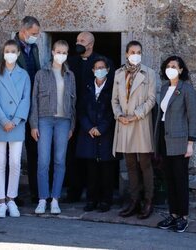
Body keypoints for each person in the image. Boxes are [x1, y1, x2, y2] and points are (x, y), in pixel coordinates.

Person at [67, 32, 115, 202]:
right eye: (77, 40)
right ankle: (74, 191)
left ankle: (100, 196)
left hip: (96, 117)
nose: (78, 43)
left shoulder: (99, 62)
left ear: (91, 44)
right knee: (74, 156)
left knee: (99, 159)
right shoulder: (70, 61)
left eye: (82, 41)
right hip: (76, 115)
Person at [29, 40, 76, 215]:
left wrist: (72, 124)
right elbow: (34, 100)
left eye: (64, 52)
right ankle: (43, 199)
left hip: (64, 121)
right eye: (58, 51)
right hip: (45, 119)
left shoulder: (70, 75)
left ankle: (55, 199)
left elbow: (73, 102)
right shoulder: (41, 74)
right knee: (43, 160)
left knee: (59, 160)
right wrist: (33, 124)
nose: (61, 55)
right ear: (52, 52)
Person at [112, 40, 156, 219]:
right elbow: (114, 99)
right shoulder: (118, 73)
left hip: (140, 122)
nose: (135, 54)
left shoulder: (149, 73)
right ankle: (134, 201)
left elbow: (151, 99)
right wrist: (118, 115)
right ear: (126, 54)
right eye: (132, 51)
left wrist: (136, 115)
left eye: (138, 51)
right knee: (130, 164)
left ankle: (148, 201)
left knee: (145, 163)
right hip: (124, 123)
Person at [0, 40, 31, 218]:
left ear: (18, 53)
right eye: (7, 51)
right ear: (3, 53)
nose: (10, 54)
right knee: (0, 162)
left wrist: (16, 119)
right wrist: (3, 120)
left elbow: (25, 99)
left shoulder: (24, 75)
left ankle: (11, 199)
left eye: (13, 51)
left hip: (17, 124)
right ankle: (1, 202)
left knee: (15, 163)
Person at [155, 56, 196, 233]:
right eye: (168, 66)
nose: (170, 68)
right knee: (169, 180)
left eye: (174, 66)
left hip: (180, 140)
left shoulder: (186, 89)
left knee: (180, 180)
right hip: (165, 138)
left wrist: (191, 143)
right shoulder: (165, 88)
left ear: (180, 70)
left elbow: (192, 117)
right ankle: (173, 214)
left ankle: (183, 217)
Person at [76, 56, 115, 212]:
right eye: (96, 68)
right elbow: (80, 110)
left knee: (107, 169)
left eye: (102, 67)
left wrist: (102, 127)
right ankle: (91, 199)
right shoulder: (86, 87)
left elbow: (113, 111)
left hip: (106, 134)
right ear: (92, 70)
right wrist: (89, 127)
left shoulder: (112, 88)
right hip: (89, 134)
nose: (99, 70)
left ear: (107, 70)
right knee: (91, 170)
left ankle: (106, 200)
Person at [14, 16, 41, 203]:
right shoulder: (10, 48)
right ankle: (10, 194)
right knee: (13, 153)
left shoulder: (35, 48)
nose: (36, 37)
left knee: (34, 151)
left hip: (32, 106)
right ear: (23, 31)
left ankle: (35, 192)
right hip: (16, 108)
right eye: (33, 34)